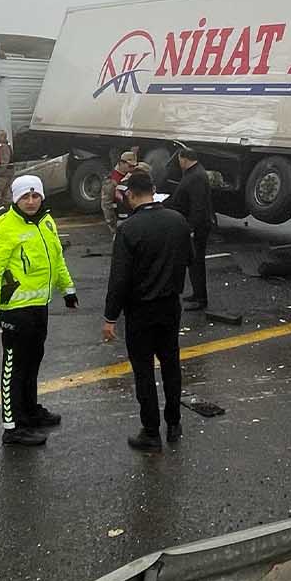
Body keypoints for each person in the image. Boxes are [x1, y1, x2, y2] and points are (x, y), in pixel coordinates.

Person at [0, 175, 78, 447]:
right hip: (14, 310)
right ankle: (12, 427)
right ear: (16, 199)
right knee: (14, 367)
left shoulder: (47, 222)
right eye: (25, 197)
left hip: (39, 306)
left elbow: (56, 258)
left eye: (36, 196)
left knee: (33, 361)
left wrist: (67, 289)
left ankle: (31, 410)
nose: (32, 201)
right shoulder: (5, 228)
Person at [101, 169, 194, 452]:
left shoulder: (128, 229)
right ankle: (174, 423)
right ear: (152, 190)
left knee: (143, 370)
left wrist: (110, 317)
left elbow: (119, 278)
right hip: (169, 305)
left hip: (140, 309)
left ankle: (151, 431)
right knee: (171, 364)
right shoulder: (177, 220)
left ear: (130, 195)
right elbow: (189, 258)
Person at [167, 146, 214, 310]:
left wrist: (192, 228)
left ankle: (201, 299)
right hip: (193, 224)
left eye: (179, 159)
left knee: (196, 262)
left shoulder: (196, 176)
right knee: (192, 262)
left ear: (184, 158)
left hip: (197, 227)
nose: (179, 162)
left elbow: (198, 205)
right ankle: (197, 293)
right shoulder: (193, 173)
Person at [101, 150, 140, 232]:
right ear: (121, 163)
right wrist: (113, 225)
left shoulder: (129, 175)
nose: (132, 169)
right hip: (119, 218)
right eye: (130, 166)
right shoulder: (111, 180)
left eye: (134, 166)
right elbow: (107, 205)